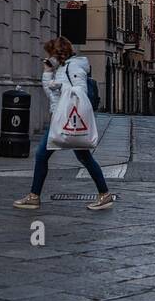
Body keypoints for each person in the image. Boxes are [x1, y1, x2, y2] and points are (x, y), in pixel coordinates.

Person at [13, 36, 116, 213]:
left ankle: (35, 196)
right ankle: (35, 196)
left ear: (58, 53)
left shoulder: (74, 66)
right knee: (75, 157)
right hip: (60, 118)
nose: (49, 56)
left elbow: (80, 91)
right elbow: (51, 95)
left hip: (69, 119)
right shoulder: (60, 68)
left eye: (50, 53)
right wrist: (47, 74)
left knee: (47, 155)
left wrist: (59, 86)